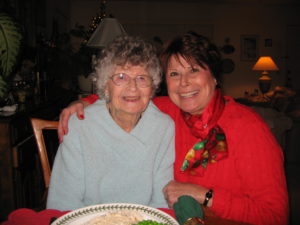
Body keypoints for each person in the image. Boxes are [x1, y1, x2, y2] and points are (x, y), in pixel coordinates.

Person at [58, 32, 289, 225]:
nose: (184, 83)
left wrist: (204, 195)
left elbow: (276, 216)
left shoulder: (249, 129)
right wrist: (83, 103)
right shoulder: (169, 111)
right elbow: (127, 97)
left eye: (194, 70)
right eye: (174, 74)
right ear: (165, 82)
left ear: (215, 76)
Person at [47, 35, 175, 211]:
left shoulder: (163, 127)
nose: (132, 87)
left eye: (142, 78)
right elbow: (63, 201)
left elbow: (161, 200)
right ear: (105, 85)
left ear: (153, 87)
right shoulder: (79, 125)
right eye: (121, 77)